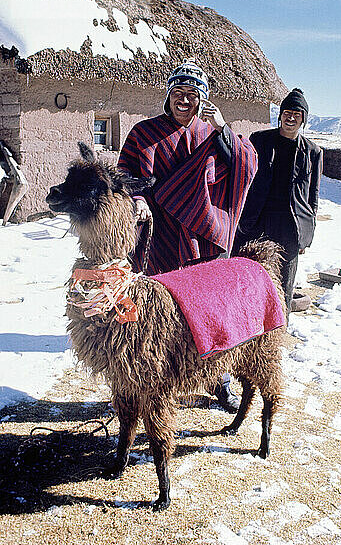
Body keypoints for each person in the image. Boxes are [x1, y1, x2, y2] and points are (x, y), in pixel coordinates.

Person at [117, 59, 257, 412]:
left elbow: (246, 164)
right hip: (158, 234)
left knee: (209, 309)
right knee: (156, 311)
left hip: (201, 239)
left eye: (192, 94)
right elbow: (124, 175)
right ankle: (151, 381)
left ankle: (218, 380)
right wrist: (138, 199)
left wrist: (223, 126)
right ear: (167, 96)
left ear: (203, 100)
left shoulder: (212, 135)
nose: (184, 100)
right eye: (177, 92)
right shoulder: (143, 133)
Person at [232, 88, 322, 315]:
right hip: (257, 222)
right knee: (248, 275)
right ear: (280, 114)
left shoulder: (313, 152)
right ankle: (246, 326)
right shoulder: (260, 141)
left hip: (290, 228)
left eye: (297, 114)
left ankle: (279, 332)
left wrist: (306, 236)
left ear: (303, 119)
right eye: (287, 112)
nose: (291, 118)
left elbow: (313, 196)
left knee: (284, 285)